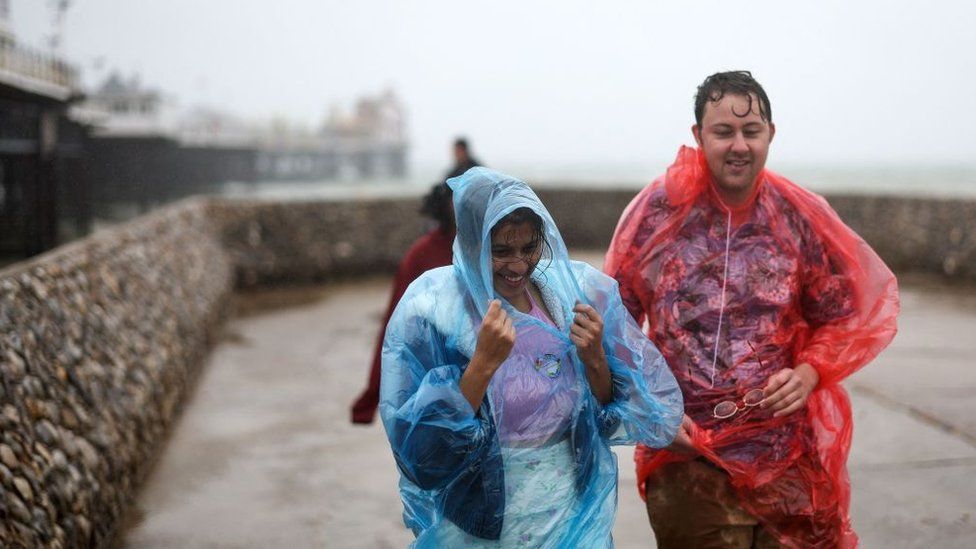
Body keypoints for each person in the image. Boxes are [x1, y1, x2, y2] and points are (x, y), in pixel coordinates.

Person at [605, 71, 899, 548]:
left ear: (770, 134)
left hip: (786, 456)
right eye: (723, 132)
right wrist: (652, 408)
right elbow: (614, 326)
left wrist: (808, 372)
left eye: (751, 131)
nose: (738, 145)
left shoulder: (798, 216)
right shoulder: (659, 215)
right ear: (699, 136)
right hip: (689, 457)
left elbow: (842, 314)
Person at [380, 168, 683, 547]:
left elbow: (608, 420)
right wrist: (482, 365)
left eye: (530, 248)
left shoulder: (569, 298)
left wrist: (594, 359)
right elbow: (424, 457)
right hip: (483, 523)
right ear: (473, 244)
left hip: (570, 509)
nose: (520, 265)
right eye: (502, 251)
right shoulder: (436, 312)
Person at [350, 182, 455, 424]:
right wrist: (374, 391)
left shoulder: (489, 250)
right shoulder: (421, 254)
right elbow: (394, 323)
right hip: (429, 371)